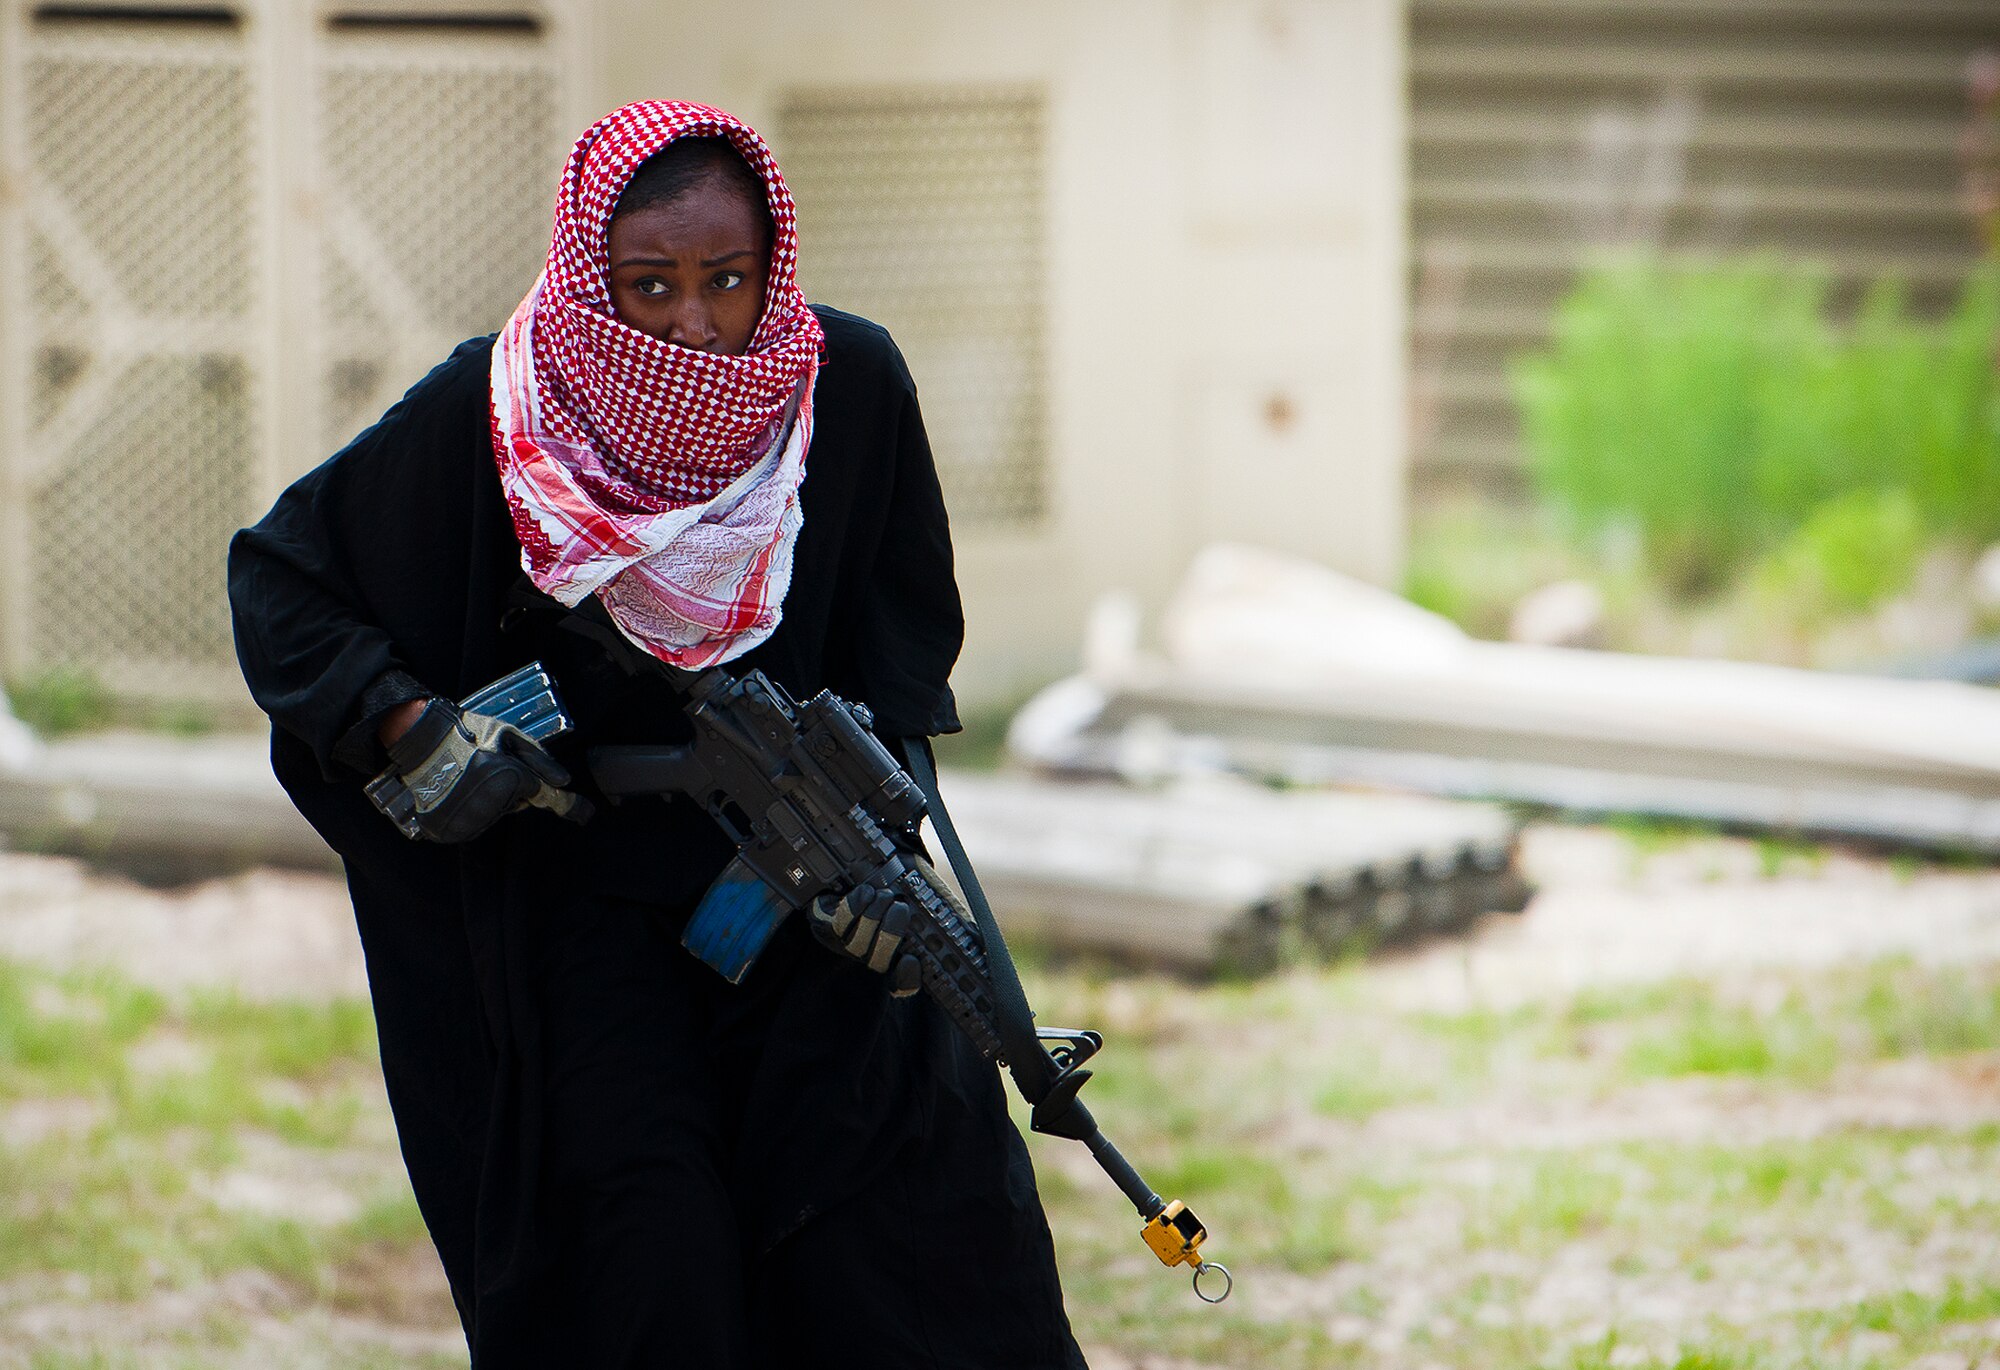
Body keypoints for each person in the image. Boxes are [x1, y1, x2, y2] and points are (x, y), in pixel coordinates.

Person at [228, 100, 1088, 1369]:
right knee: (643, 1261)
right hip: (586, 929)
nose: (694, 324)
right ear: (593, 273)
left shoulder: (844, 391)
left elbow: (902, 650)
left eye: (727, 281)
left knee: (904, 1245)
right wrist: (410, 722)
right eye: (651, 286)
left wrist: (875, 840)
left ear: (771, 267)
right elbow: (283, 579)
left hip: (808, 915)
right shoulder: (501, 409)